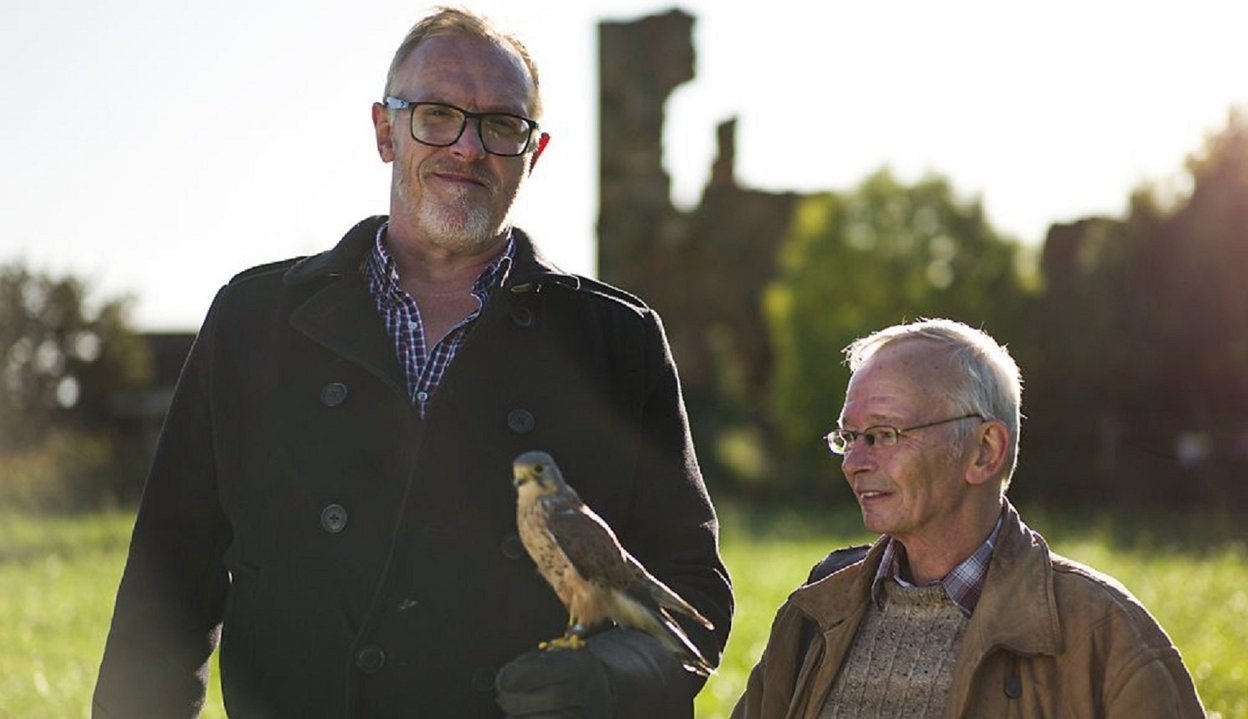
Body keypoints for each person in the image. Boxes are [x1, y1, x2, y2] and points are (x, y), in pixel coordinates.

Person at [92, 7, 732, 718]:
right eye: (436, 115)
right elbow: (165, 593)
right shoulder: (254, 320)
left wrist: (611, 678)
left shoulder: (616, 340)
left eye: (500, 125)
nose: (466, 147)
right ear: (383, 130)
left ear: (534, 151)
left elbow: (691, 592)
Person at [733, 318, 1205, 718]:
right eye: (848, 436)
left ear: (985, 451)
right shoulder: (811, 617)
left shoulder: (1105, 634)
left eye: (883, 434)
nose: (853, 462)